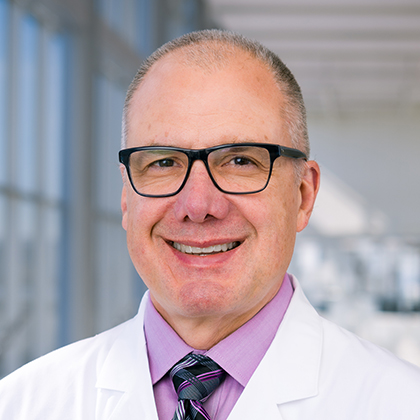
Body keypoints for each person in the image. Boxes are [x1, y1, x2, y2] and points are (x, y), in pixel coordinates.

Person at [1, 29, 419, 420]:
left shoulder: (402, 403)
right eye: (163, 162)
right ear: (127, 198)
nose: (198, 206)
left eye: (240, 160)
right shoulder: (22, 404)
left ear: (303, 195)